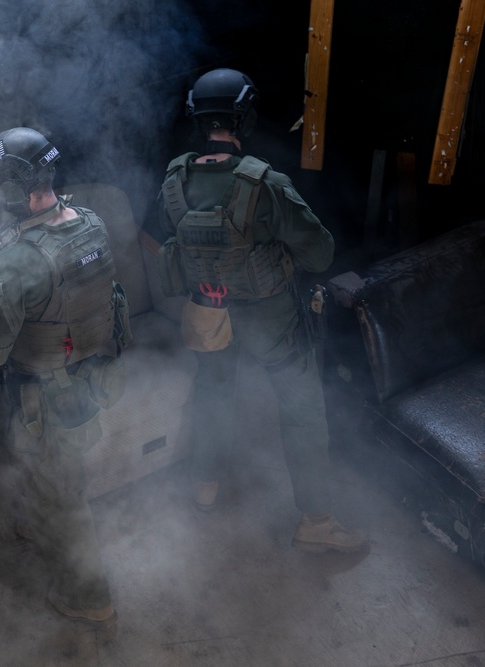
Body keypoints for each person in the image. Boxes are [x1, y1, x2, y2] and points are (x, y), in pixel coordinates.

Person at [155, 68, 367, 553]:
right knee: (302, 411)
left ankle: (203, 489)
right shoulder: (264, 183)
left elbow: (174, 242)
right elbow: (321, 254)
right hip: (271, 320)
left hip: (208, 312)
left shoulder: (174, 178)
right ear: (244, 117)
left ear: (196, 118)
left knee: (212, 393)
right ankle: (316, 522)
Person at [0, 127, 129, 624]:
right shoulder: (92, 223)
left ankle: (89, 598)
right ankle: (37, 522)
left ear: (11, 190)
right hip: (87, 377)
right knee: (55, 479)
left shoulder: (17, 260)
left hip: (43, 394)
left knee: (63, 494)